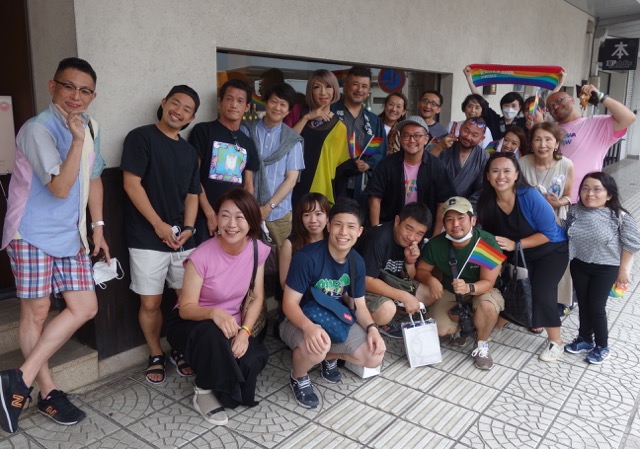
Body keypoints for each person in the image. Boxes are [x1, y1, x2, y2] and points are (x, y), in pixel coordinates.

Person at [0, 57, 109, 433]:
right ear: (53, 86)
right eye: (68, 86)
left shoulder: (91, 126)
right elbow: (60, 187)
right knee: (37, 312)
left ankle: (18, 378)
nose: (76, 96)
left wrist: (98, 226)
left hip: (71, 234)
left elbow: (94, 176)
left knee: (85, 306)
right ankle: (47, 392)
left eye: (85, 90)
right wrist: (76, 140)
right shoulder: (37, 129)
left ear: (93, 95)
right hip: (30, 232)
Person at [166, 188, 270, 425]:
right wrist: (214, 313)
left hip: (231, 323)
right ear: (216, 218)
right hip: (191, 322)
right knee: (213, 337)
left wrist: (245, 333)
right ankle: (202, 391)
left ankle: (218, 372)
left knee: (253, 358)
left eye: (240, 217)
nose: (231, 224)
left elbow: (257, 297)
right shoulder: (201, 255)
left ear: (251, 220)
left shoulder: (257, 250)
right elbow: (186, 308)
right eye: (225, 215)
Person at [121, 85, 201, 385]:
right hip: (146, 237)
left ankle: (179, 348)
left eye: (186, 109)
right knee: (151, 303)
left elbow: (192, 194)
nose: (178, 111)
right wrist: (157, 224)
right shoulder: (140, 137)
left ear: (191, 118)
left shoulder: (189, 152)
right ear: (164, 102)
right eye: (175, 103)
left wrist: (189, 228)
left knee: (187, 301)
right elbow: (131, 184)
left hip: (183, 240)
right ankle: (155, 352)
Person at [280, 198, 386, 409]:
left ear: (360, 231)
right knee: (318, 345)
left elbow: (359, 305)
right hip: (297, 319)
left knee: (374, 356)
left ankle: (326, 356)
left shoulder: (356, 261)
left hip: (333, 318)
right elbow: (289, 304)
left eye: (351, 226)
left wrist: (373, 329)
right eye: (338, 224)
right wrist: (309, 328)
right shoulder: (306, 257)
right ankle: (299, 375)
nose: (343, 232)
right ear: (328, 226)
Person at [477, 152, 568, 362]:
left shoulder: (529, 196)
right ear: (488, 176)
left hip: (551, 250)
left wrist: (516, 244)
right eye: (495, 171)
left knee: (541, 291)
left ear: (517, 174)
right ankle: (500, 323)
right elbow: (490, 238)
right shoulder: (486, 201)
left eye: (507, 171)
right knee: (511, 286)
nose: (501, 176)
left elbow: (549, 233)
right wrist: (485, 269)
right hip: (519, 253)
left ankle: (556, 341)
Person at [416, 197, 505, 370]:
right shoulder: (436, 244)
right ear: (443, 223)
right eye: (449, 219)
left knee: (487, 307)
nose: (455, 224)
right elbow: (421, 270)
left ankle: (481, 344)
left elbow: (488, 282)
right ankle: (464, 326)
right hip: (451, 292)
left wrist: (468, 288)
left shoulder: (485, 242)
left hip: (481, 290)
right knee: (440, 329)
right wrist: (431, 279)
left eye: (461, 218)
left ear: (473, 220)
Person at [565, 172, 640, 364]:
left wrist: (623, 271)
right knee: (583, 304)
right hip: (579, 264)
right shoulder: (575, 211)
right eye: (585, 188)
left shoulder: (619, 216)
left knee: (596, 307)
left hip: (606, 268)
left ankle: (602, 346)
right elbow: (566, 232)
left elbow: (632, 243)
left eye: (597, 189)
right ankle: (584, 339)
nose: (590, 193)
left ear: (609, 194)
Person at [188, 79, 260, 244]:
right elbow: (193, 176)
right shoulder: (203, 131)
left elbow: (248, 186)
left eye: (240, 101)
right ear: (220, 102)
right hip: (204, 216)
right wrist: (210, 214)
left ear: (247, 107)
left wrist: (245, 217)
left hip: (234, 221)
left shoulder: (248, 143)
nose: (234, 105)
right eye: (229, 99)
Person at [366, 115, 455, 237]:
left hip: (424, 231)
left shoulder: (437, 167)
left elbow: (442, 204)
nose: (412, 140)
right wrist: (375, 232)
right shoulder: (386, 164)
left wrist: (435, 238)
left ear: (426, 139)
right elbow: (374, 198)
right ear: (400, 139)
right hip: (390, 228)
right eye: (406, 135)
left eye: (417, 135)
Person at [519, 122, 575, 314]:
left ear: (557, 143)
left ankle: (558, 303)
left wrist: (559, 203)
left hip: (556, 220)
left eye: (548, 139)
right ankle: (527, 303)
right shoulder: (522, 163)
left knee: (557, 263)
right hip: (528, 222)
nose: (543, 145)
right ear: (531, 143)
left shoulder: (566, 165)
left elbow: (569, 195)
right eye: (537, 139)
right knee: (531, 263)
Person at [357, 202, 435, 338]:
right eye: (408, 228)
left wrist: (410, 261)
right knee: (386, 311)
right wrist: (403, 296)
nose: (411, 237)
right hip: (362, 286)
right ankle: (376, 320)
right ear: (397, 221)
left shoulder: (412, 243)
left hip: (388, 282)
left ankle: (393, 307)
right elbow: (367, 281)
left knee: (429, 294)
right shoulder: (377, 239)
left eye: (419, 233)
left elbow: (410, 278)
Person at [546, 84, 635, 202]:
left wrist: (601, 96)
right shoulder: (550, 130)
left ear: (572, 100)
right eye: (551, 107)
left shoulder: (595, 124)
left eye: (559, 101)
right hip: (554, 198)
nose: (555, 106)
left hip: (585, 199)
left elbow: (628, 118)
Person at [243, 82, 304, 249]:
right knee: (249, 256)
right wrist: (252, 206)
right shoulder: (247, 131)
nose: (277, 108)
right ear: (266, 102)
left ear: (289, 110)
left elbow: (291, 180)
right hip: (247, 210)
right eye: (274, 102)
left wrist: (268, 208)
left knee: (280, 258)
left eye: (283, 104)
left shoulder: (292, 140)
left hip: (279, 214)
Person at [332, 66, 387, 213]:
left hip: (361, 184)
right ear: (345, 85)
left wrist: (368, 164)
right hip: (334, 180)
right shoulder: (331, 113)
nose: (359, 90)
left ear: (369, 90)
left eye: (364, 86)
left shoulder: (374, 121)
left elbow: (381, 151)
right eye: (355, 84)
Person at [291, 70, 349, 207]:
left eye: (328, 87)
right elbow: (286, 143)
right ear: (310, 91)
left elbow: (340, 169)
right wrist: (307, 117)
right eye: (317, 87)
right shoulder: (299, 115)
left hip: (321, 192)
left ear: (334, 90)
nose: (323, 92)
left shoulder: (339, 127)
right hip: (291, 186)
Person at [279, 193, 331, 290]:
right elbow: (284, 284)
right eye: (307, 215)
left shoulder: (332, 241)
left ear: (327, 217)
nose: (313, 220)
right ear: (301, 218)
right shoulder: (290, 244)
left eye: (318, 214)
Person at [434, 117, 490, 208]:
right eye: (466, 131)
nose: (468, 137)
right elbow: (425, 167)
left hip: (465, 209)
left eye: (474, 135)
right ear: (460, 128)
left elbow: (481, 191)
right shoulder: (444, 144)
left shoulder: (484, 158)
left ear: (482, 138)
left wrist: (464, 210)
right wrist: (439, 147)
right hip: (436, 205)